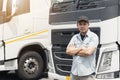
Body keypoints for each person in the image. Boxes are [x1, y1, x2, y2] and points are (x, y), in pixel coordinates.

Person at [66, 16, 99, 80]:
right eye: (80, 24)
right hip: (74, 73)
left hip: (87, 74)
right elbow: (68, 51)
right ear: (77, 26)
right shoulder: (74, 37)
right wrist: (81, 48)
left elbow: (88, 52)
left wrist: (74, 51)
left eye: (84, 24)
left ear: (88, 25)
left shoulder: (93, 36)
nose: (82, 26)